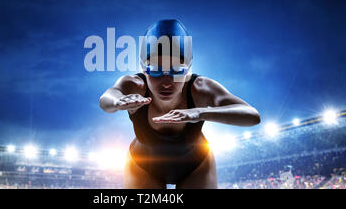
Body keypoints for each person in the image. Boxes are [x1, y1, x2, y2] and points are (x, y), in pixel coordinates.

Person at [99, 19, 260, 189]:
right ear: (143, 68)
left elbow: (252, 115)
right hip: (142, 166)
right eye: (155, 70)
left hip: (196, 167)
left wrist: (200, 112)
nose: (166, 81)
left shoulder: (199, 88)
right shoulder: (136, 86)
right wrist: (117, 101)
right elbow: (106, 99)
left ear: (188, 68)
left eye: (176, 70)